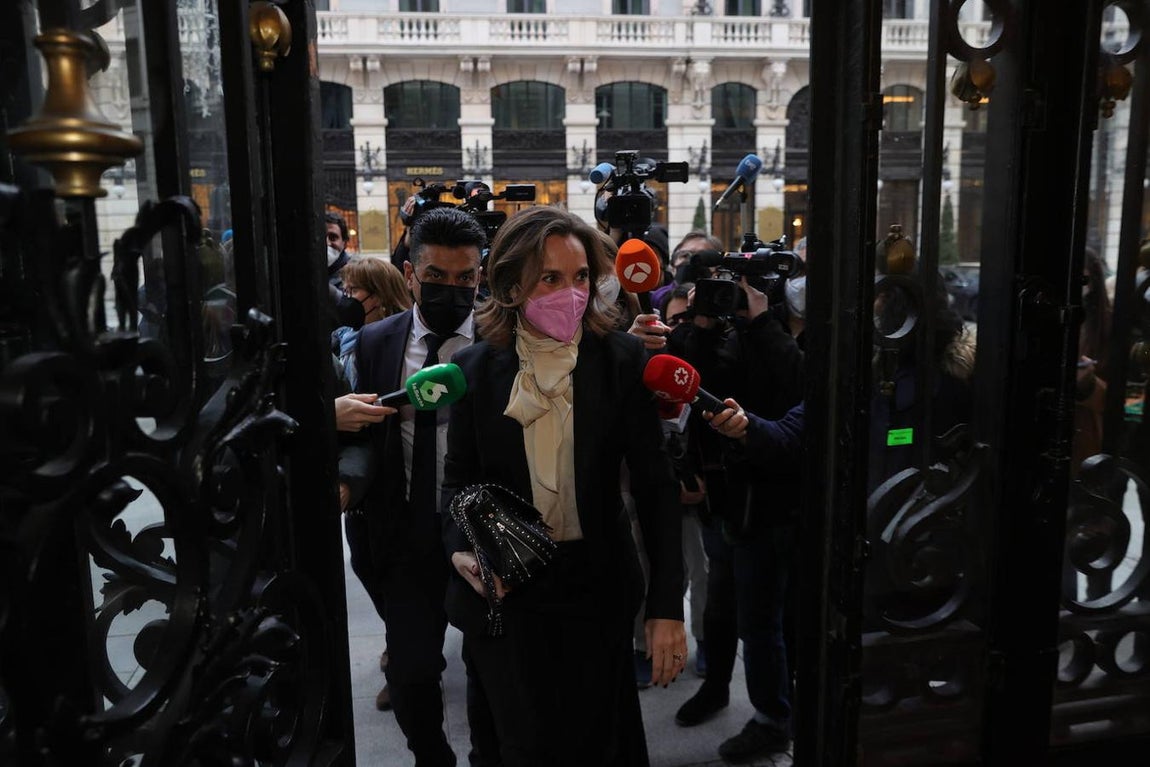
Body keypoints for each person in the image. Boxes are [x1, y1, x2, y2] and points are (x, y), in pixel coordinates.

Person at [441, 206, 688, 766]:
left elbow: (655, 484)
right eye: (550, 278)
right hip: (508, 592)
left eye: (580, 277)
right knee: (518, 747)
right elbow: (458, 482)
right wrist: (459, 549)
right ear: (510, 284)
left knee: (600, 744)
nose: (570, 293)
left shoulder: (621, 360)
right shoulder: (475, 371)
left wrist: (666, 606)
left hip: (596, 590)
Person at [338, 206, 489, 767]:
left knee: (490, 667)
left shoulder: (502, 340)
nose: (453, 289)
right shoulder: (377, 341)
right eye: (437, 277)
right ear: (409, 274)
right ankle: (433, 758)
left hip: (481, 534)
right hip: (403, 530)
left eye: (466, 278)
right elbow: (366, 434)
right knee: (412, 669)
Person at [332, 256, 412, 390]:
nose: (347, 297)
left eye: (354, 290)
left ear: (379, 296)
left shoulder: (395, 345)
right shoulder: (340, 337)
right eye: (345, 291)